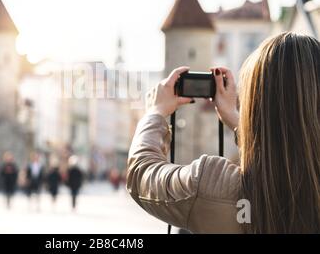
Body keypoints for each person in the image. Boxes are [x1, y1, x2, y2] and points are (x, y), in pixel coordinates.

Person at [127, 32, 320, 233]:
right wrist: (237, 122)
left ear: (254, 105)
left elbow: (142, 174)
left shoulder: (213, 187)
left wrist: (155, 112)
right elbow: (290, 146)